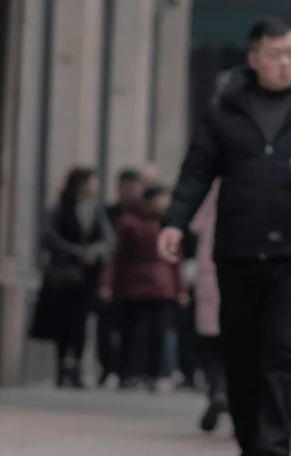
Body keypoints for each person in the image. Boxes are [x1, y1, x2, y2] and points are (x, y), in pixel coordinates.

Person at [159, 18, 291, 456]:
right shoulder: (224, 109)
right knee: (241, 353)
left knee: (285, 352)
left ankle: (273, 453)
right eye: (276, 54)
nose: (287, 62)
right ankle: (248, 448)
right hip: (239, 250)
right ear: (254, 59)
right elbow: (195, 173)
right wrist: (173, 223)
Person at [29, 167, 111, 387]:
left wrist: (94, 253)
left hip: (86, 278)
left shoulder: (96, 210)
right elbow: (50, 236)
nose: (95, 187)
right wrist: (75, 252)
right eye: (92, 182)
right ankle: (61, 367)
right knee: (60, 322)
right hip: (62, 275)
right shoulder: (59, 208)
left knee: (81, 323)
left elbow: (108, 239)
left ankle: (76, 367)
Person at [110, 184, 177, 387]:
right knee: (132, 332)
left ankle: (154, 374)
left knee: (158, 333)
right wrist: (107, 283)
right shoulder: (129, 222)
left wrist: (179, 288)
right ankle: (129, 373)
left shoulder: (169, 224)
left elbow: (176, 258)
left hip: (161, 286)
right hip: (134, 286)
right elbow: (117, 255)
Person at [97, 168, 143, 384]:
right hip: (111, 278)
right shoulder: (109, 212)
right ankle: (107, 368)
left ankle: (126, 371)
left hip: (134, 283)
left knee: (130, 330)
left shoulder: (144, 214)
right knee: (105, 328)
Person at [189, 187, 229, 431]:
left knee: (210, 345)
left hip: (207, 280)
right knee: (236, 348)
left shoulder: (211, 190)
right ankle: (229, 396)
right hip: (236, 279)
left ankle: (217, 390)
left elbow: (194, 225)